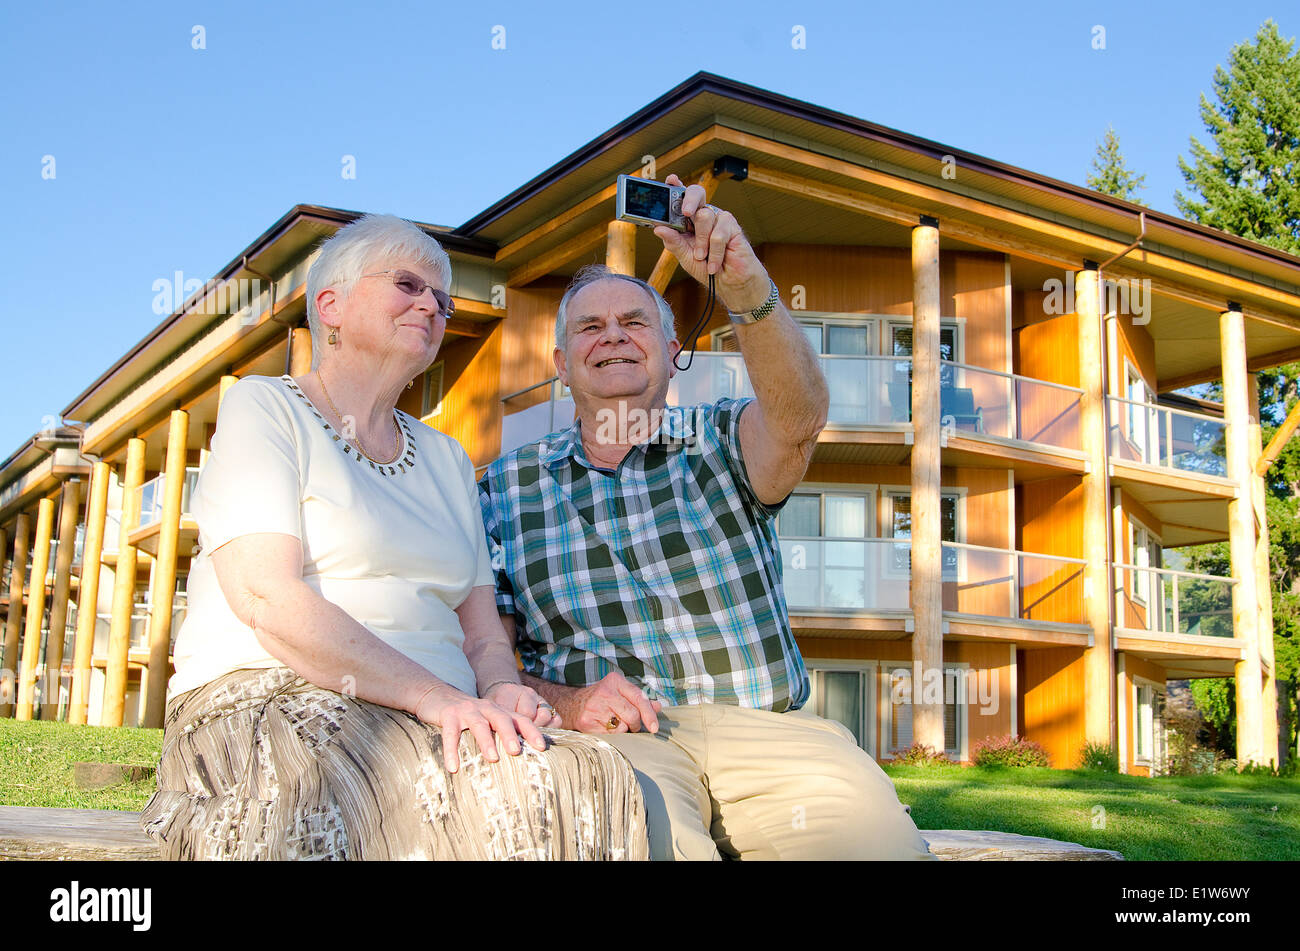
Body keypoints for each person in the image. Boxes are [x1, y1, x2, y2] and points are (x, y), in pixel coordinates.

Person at [140, 214, 647, 860]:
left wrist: (498, 689)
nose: (431, 306)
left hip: (430, 711)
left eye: (442, 299)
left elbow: (484, 634)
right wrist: (434, 697)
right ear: (331, 305)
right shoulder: (264, 409)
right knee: (455, 789)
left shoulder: (447, 459)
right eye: (408, 285)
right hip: (271, 692)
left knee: (591, 776)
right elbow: (266, 599)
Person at [479, 176, 934, 860]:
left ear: (672, 355)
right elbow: (491, 656)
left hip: (770, 734)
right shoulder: (506, 485)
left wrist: (745, 285)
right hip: (619, 744)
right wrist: (569, 705)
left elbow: (801, 416)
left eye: (635, 323)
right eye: (590, 327)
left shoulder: (720, 437)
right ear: (562, 365)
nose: (613, 337)